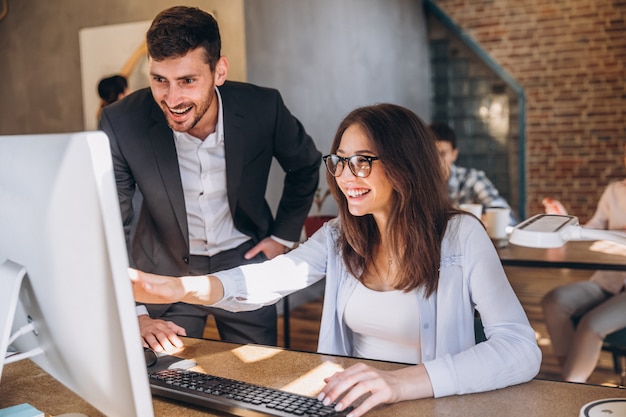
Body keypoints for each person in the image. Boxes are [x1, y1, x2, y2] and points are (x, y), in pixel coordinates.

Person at [130, 103, 541, 416]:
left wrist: (399, 384)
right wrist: (180, 287)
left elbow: (521, 348)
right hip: (353, 403)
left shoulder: (461, 235)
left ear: (405, 166)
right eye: (340, 160)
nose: (345, 175)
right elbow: (270, 278)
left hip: (427, 402)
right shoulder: (339, 236)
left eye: (363, 161)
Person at [99, 6, 321, 351]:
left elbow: (305, 165)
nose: (172, 100)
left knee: (257, 373)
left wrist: (282, 236)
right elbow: (112, 220)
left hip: (243, 261)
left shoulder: (264, 107)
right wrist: (136, 311)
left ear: (219, 71)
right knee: (167, 379)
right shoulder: (121, 122)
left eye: (187, 81)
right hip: (164, 270)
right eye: (160, 80)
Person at [541, 177, 626, 383]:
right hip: (609, 280)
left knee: (590, 325)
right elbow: (594, 228)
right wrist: (565, 223)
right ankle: (576, 381)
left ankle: (570, 387)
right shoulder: (614, 190)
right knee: (554, 302)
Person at [430, 122, 515, 223]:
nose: (437, 160)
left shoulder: (471, 179)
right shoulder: (419, 184)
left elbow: (506, 215)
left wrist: (485, 220)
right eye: (431, 154)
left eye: (442, 154)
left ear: (454, 154)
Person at [96, 41, 148, 120]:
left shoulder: (105, 110)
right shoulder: (131, 114)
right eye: (126, 89)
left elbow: (123, 75)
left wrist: (139, 51)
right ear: (121, 96)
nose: (130, 91)